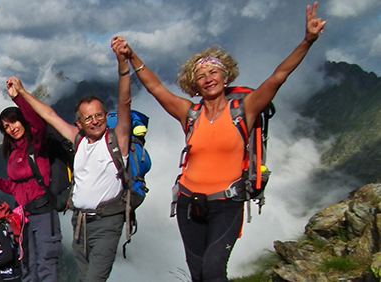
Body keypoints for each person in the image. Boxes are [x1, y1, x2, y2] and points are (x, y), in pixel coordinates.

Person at [115, 3, 326, 281]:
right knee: (199, 274)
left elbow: (278, 77)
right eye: (200, 76)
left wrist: (307, 41)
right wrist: (131, 56)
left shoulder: (244, 110)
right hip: (188, 203)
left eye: (214, 72)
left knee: (214, 270)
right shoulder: (190, 114)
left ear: (226, 77)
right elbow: (155, 88)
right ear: (194, 85)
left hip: (227, 203)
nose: (208, 79)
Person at [0, 39, 132, 282]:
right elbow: (50, 115)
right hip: (78, 221)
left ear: (107, 116)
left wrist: (124, 65)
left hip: (104, 220)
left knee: (79, 276)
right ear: (79, 122)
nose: (95, 121)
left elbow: (124, 103)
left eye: (99, 115)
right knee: (54, 272)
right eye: (88, 118)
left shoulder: (116, 140)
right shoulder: (78, 140)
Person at [0, 78, 63, 282]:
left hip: (44, 211)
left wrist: (19, 97)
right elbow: (14, 187)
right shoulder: (12, 154)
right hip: (23, 217)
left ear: (22, 121)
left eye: (14, 121)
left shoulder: (37, 146)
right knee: (28, 264)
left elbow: (38, 125)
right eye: (6, 126)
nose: (11, 128)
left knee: (46, 263)